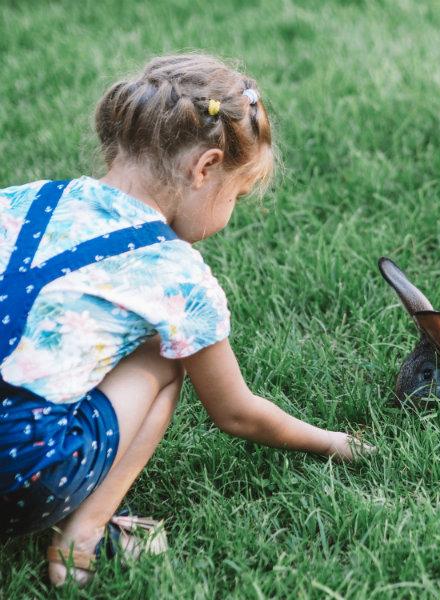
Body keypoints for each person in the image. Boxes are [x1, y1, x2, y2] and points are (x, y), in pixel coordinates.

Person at [0, 53, 372, 587]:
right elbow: (238, 414)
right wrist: (335, 443)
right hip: (22, 470)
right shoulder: (178, 277)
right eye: (237, 194)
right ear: (205, 168)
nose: (231, 211)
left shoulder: (20, 200)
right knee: (163, 354)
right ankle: (81, 542)